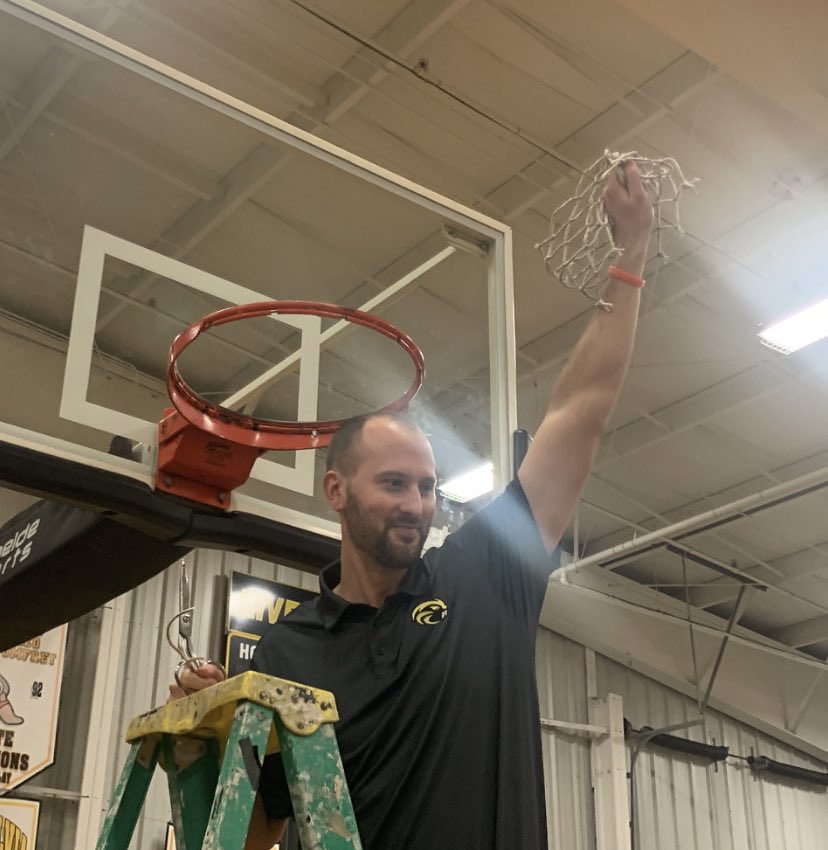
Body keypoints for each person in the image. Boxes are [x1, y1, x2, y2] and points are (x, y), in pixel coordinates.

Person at [170, 161, 654, 849]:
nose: (417, 504)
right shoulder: (286, 647)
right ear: (336, 492)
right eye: (394, 484)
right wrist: (205, 742)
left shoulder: (485, 575)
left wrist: (630, 257)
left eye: (427, 487)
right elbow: (261, 831)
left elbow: (579, 412)